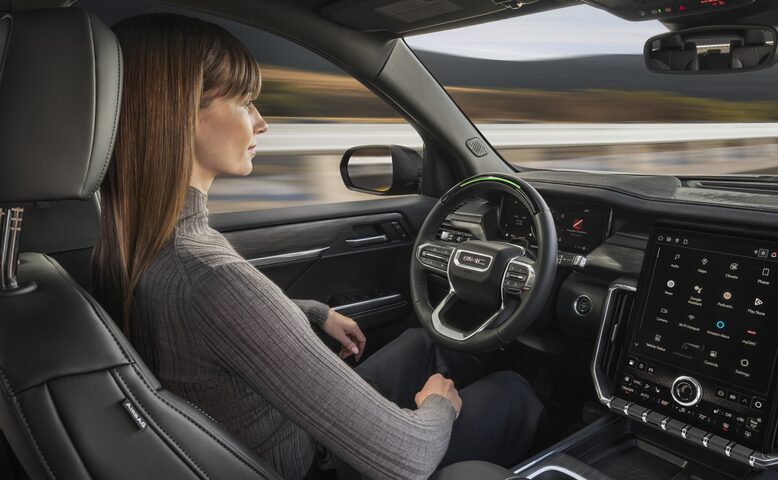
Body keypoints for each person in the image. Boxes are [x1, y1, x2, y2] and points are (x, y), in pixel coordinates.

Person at [90, 13, 544, 480]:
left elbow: (209, 330)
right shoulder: (209, 276)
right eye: (246, 102)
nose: (262, 123)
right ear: (180, 113)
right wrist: (436, 407)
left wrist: (310, 312)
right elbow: (407, 457)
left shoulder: (136, 243)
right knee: (513, 391)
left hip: (275, 433)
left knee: (421, 345)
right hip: (310, 463)